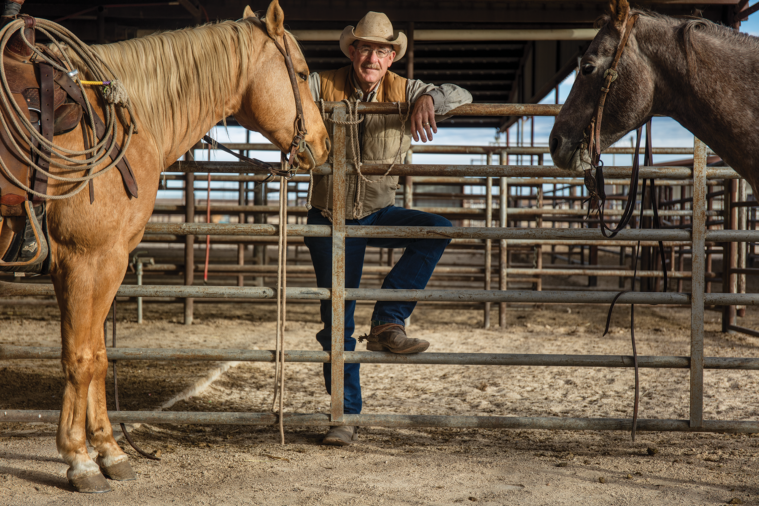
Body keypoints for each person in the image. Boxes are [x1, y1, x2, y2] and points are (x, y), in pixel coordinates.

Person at [304, 11, 472, 446]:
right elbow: (284, 97)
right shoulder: (320, 85)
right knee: (336, 320)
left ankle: (387, 321)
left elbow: (463, 93)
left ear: (392, 56)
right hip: (330, 217)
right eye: (365, 48)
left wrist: (431, 99)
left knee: (437, 229)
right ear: (353, 51)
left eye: (382, 50)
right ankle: (344, 416)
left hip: (377, 213)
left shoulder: (407, 89)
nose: (372, 57)